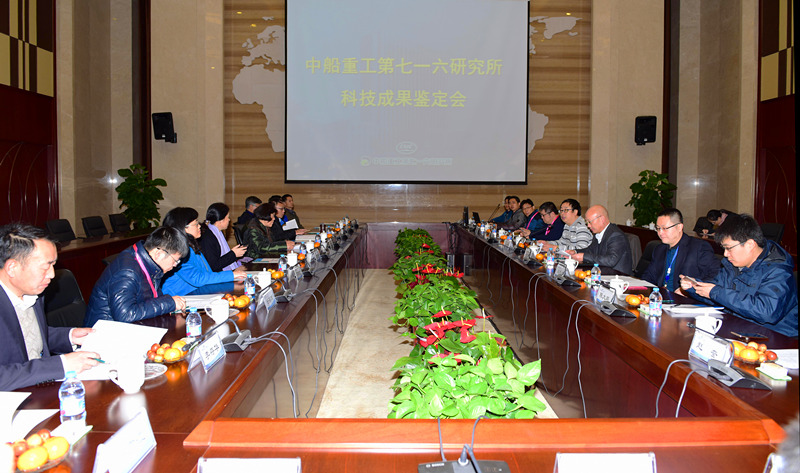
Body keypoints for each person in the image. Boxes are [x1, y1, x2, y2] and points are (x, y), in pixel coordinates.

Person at [1, 223, 100, 391]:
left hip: (41, 388)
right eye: (46, 266)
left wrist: (70, 337)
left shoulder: (33, 292)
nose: (52, 274)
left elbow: (25, 336)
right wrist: (62, 364)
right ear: (12, 268)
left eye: (53, 265)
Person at [680, 214, 797, 337]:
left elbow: (766, 311)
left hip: (776, 337)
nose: (725, 254)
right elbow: (717, 294)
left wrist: (715, 292)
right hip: (741, 331)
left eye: (729, 248)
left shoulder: (779, 271)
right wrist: (694, 287)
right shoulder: (733, 266)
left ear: (750, 244)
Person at [84, 226, 189, 326]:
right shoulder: (127, 272)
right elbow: (125, 315)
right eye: (175, 261)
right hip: (104, 332)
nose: (175, 265)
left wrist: (170, 305)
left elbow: (153, 298)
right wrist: (169, 303)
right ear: (158, 254)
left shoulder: (147, 262)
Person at [161, 207, 247, 296]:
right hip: (179, 297)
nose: (199, 226)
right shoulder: (177, 251)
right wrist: (231, 275)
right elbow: (197, 278)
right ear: (184, 228)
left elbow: (207, 272)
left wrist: (232, 275)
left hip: (198, 292)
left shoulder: (193, 245)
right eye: (196, 224)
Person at [642, 208, 719, 292]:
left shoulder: (698, 247)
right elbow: (649, 276)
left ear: (679, 227)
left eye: (665, 228)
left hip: (686, 298)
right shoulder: (659, 249)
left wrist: (690, 289)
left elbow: (715, 275)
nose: (660, 233)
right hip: (661, 296)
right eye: (658, 228)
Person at [568, 205, 633, 274]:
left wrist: (583, 257)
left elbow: (611, 260)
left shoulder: (616, 235)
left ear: (602, 219)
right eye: (587, 222)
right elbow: (590, 250)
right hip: (603, 273)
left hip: (618, 276)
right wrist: (575, 252)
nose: (588, 226)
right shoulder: (598, 233)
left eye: (590, 222)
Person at [200, 203, 248, 272]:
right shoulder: (208, 237)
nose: (229, 220)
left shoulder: (218, 232)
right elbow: (214, 266)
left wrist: (235, 253)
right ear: (220, 221)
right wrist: (233, 254)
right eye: (227, 217)